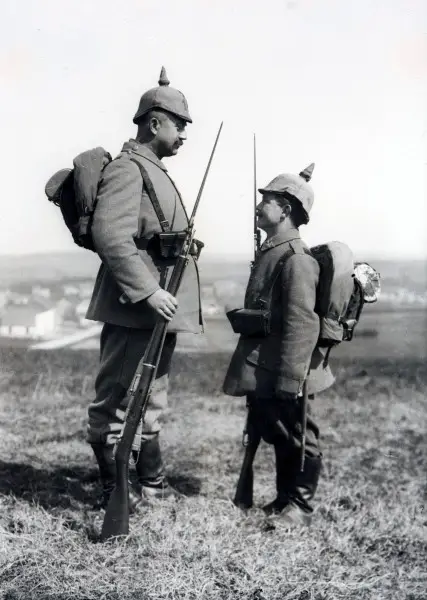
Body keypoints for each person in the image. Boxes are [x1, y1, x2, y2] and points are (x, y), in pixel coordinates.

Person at [85, 67, 203, 510]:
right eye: (180, 124)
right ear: (154, 123)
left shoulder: (153, 169)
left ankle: (151, 486)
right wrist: (148, 291)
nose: (184, 135)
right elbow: (110, 236)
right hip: (133, 306)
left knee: (153, 398)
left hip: (157, 309)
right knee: (115, 401)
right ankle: (114, 492)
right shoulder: (128, 169)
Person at [223, 164, 335, 524]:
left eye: (266, 201)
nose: (258, 207)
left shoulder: (296, 259)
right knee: (280, 431)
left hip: (288, 367)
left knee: (301, 435)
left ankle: (300, 508)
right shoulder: (274, 251)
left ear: (285, 210)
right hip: (268, 363)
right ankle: (286, 498)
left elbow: (303, 323)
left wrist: (291, 379)